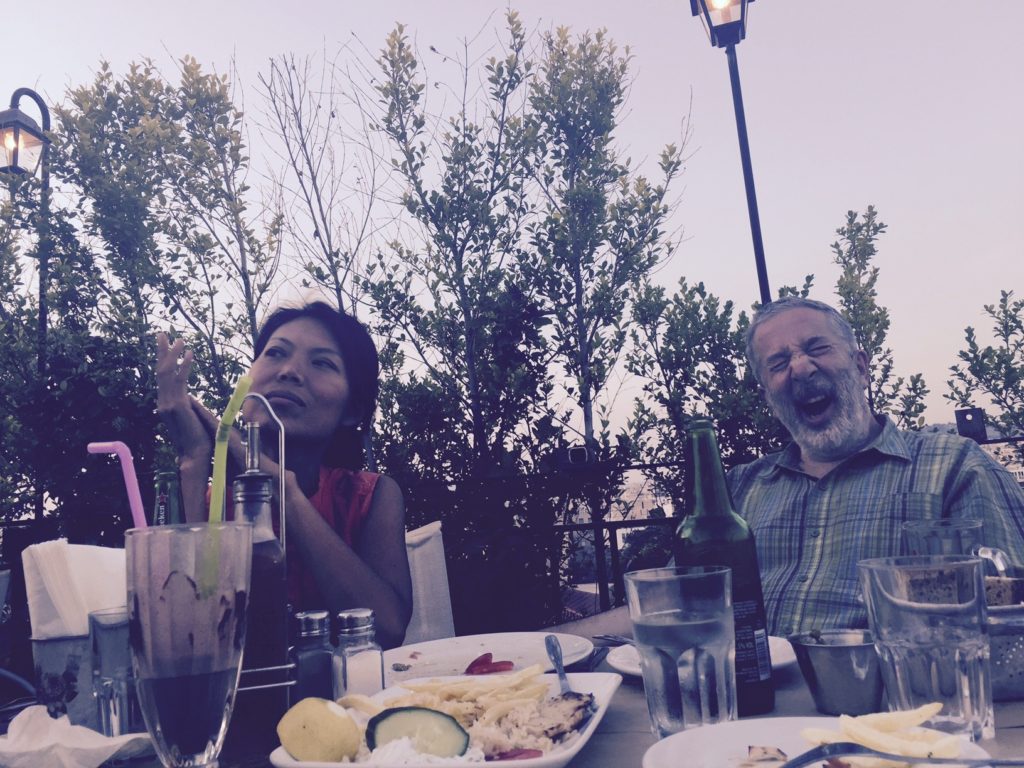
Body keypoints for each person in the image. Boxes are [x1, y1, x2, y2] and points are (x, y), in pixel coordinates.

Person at [731, 296, 1024, 636]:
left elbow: (1012, 622)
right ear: (768, 396)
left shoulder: (956, 467)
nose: (800, 367)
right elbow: (684, 606)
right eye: (778, 364)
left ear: (861, 367)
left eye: (818, 348)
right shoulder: (739, 490)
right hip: (753, 686)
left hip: (904, 684)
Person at [155, 301, 412, 649]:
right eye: (275, 353)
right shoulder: (210, 504)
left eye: (322, 363)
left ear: (353, 410)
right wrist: (195, 461)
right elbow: (178, 639)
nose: (290, 371)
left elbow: (388, 629)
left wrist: (284, 490)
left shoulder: (369, 496)